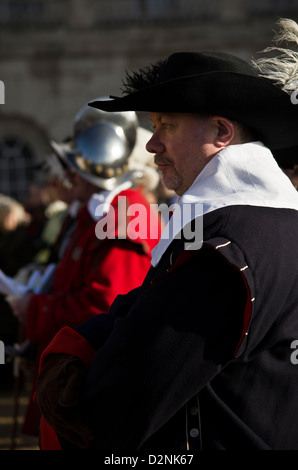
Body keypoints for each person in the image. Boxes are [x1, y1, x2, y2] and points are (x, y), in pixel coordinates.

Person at [36, 23, 298, 450]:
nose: (152, 144)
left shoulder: (224, 251)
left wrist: (77, 387)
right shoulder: (260, 225)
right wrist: (83, 342)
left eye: (168, 126)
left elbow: (136, 384)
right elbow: (144, 305)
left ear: (221, 133)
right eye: (154, 126)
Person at [10, 99, 162, 436]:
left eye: (73, 168)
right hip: (73, 369)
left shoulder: (124, 214)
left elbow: (105, 304)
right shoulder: (97, 212)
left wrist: (35, 308)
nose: (66, 177)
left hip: (91, 377)